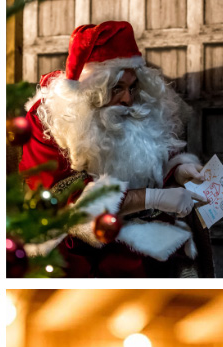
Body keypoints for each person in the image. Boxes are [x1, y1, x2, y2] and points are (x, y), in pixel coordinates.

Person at [19, 21, 212, 277]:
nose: (128, 100)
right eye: (117, 88)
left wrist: (176, 170)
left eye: (132, 88)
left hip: (139, 244)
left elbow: (144, 159)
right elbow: (64, 203)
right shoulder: (49, 121)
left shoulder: (132, 111)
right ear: (90, 90)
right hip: (77, 255)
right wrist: (151, 198)